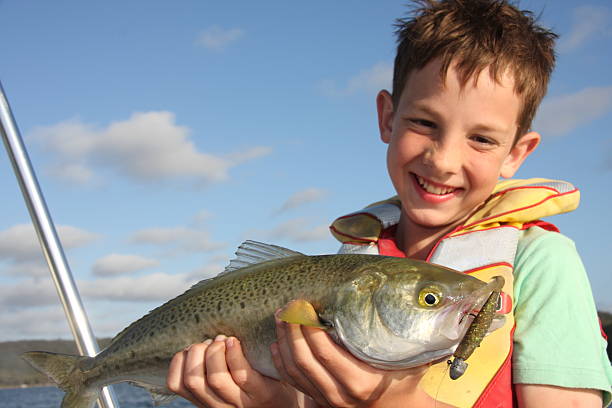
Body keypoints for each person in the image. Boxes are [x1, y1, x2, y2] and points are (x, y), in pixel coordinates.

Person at [165, 0, 612, 407]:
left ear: (516, 152)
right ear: (387, 117)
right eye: (424, 122)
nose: (443, 159)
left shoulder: (543, 262)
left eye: (481, 138)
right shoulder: (352, 263)